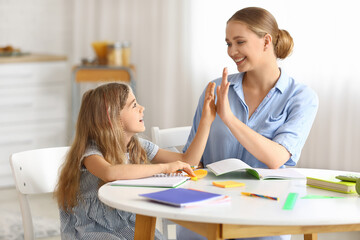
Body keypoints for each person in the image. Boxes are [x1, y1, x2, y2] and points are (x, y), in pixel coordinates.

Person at [177, 7, 319, 240]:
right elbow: (192, 158)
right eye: (228, 43)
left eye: (239, 42)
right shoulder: (215, 89)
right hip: (209, 209)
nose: (232, 51)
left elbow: (276, 158)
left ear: (266, 41)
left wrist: (229, 119)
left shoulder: (301, 97)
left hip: (265, 211)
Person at [54, 81, 216, 240]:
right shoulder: (91, 152)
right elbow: (110, 173)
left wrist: (206, 122)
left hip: (126, 224)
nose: (141, 108)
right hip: (90, 229)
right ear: (112, 117)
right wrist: (164, 168)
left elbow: (188, 161)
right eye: (134, 105)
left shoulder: (137, 145)